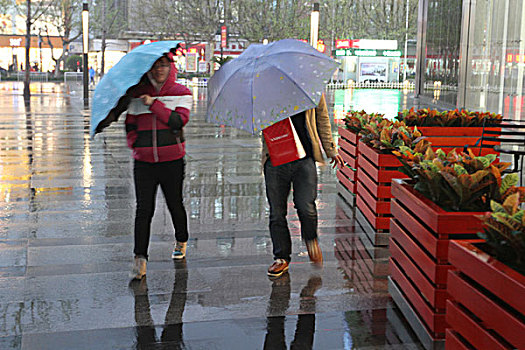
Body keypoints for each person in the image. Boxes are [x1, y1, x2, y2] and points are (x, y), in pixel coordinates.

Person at [114, 53, 192, 280]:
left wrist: (154, 104)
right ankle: (140, 257)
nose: (159, 70)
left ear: (171, 67)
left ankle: (181, 239)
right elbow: (130, 125)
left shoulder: (182, 93)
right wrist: (135, 145)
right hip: (144, 163)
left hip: (172, 161)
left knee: (174, 204)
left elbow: (178, 121)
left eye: (164, 65)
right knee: (143, 209)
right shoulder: (137, 95)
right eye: (156, 66)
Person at [263, 94, 344, 278]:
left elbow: (322, 119)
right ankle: (281, 257)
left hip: (305, 158)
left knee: (306, 206)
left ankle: (311, 239)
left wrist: (330, 149)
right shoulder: (265, 89)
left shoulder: (311, 88)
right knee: (277, 212)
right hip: (276, 159)